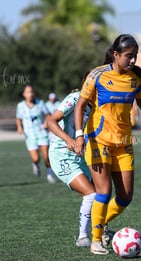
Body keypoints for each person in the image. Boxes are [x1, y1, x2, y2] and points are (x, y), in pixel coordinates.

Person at [73, 34, 141, 255]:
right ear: (116, 55)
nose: (133, 60)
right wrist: (79, 136)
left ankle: (100, 223)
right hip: (99, 141)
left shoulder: (135, 79)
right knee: (104, 192)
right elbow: (80, 106)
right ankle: (96, 240)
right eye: (128, 56)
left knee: (125, 197)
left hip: (124, 143)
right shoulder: (97, 75)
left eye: (135, 56)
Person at [47, 88, 95, 247]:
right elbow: (51, 121)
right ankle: (82, 237)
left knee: (102, 193)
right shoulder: (75, 98)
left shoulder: (97, 103)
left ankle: (101, 230)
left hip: (81, 154)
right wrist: (69, 140)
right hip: (62, 154)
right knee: (91, 194)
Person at [16, 85, 56, 183]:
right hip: (29, 135)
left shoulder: (40, 103)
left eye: (32, 92)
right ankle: (35, 164)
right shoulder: (20, 106)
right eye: (28, 92)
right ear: (24, 94)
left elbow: (48, 115)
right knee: (36, 158)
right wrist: (19, 127)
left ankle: (49, 175)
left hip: (42, 133)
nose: (30, 94)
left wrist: (47, 123)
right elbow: (18, 118)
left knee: (46, 156)